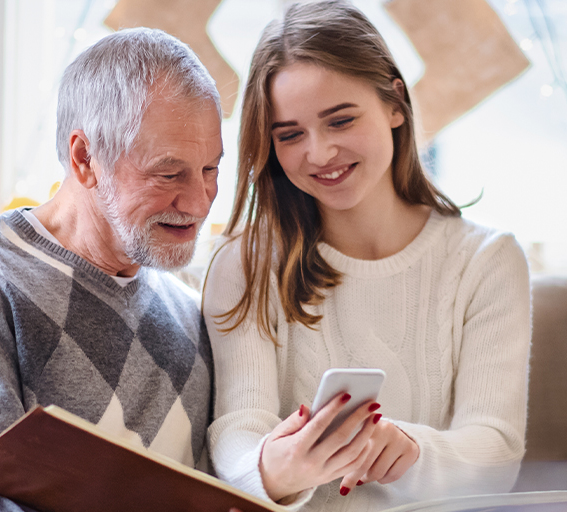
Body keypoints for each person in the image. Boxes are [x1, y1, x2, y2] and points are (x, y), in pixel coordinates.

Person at [0, 28, 227, 511]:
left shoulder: (189, 313)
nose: (199, 202)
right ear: (85, 158)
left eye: (211, 170)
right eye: (169, 173)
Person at [202, 1, 531, 510]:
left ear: (395, 103)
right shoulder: (246, 263)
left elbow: (497, 451)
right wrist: (275, 467)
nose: (319, 153)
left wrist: (409, 450)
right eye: (290, 134)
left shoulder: (487, 261)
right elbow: (237, 427)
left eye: (340, 120)